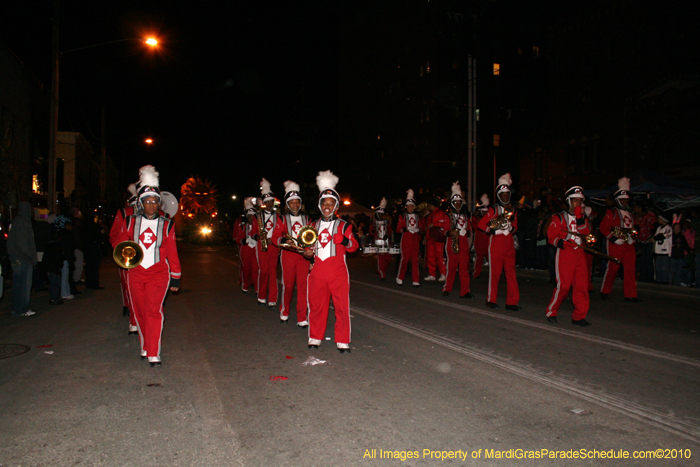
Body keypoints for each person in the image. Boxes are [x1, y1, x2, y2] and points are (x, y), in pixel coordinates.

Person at [113, 165, 181, 368]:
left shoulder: (167, 223)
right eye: (147, 201)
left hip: (159, 272)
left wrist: (176, 276)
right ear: (141, 203)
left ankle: (154, 352)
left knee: (154, 310)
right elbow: (121, 244)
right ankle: (145, 345)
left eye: (154, 201)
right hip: (135, 272)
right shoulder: (130, 222)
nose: (151, 204)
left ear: (158, 203)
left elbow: (172, 252)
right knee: (140, 311)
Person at [303, 170, 359, 353]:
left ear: (336, 206)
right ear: (320, 205)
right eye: (324, 203)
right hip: (318, 269)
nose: (327, 206)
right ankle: (315, 336)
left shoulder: (344, 225)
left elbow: (354, 246)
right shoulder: (312, 226)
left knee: (341, 306)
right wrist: (308, 253)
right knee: (317, 304)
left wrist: (343, 240)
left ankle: (343, 340)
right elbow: (307, 250)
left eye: (331, 203)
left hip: (338, 270)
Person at [545, 186, 592, 326]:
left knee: (582, 286)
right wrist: (562, 243)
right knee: (564, 286)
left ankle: (579, 316)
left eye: (580, 200)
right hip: (565, 253)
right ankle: (551, 311)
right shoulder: (559, 216)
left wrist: (579, 219)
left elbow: (586, 234)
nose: (578, 203)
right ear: (569, 201)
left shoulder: (583, 218)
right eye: (575, 200)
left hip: (579, 253)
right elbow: (550, 237)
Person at [478, 173, 521, 311]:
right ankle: (491, 299)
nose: (505, 196)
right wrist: (494, 231)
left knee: (511, 273)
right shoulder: (494, 209)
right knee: (495, 273)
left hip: (508, 242)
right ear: (498, 195)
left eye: (507, 194)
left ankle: (512, 302)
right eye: (503, 194)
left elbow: (516, 226)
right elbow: (481, 224)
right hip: (496, 242)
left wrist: (511, 228)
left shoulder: (513, 209)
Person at [277, 180, 311, 326]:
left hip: (303, 256)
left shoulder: (307, 219)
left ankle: (302, 317)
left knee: (303, 287)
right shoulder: (282, 218)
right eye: (292, 202)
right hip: (288, 256)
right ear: (287, 204)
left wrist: (311, 253)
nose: (295, 205)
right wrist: (284, 239)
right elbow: (274, 237)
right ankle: (284, 311)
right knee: (288, 286)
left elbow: (312, 236)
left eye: (297, 202)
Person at [599, 177, 639, 302]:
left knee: (630, 269)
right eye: (622, 199)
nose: (625, 202)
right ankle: (605, 291)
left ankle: (630, 294)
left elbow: (633, 227)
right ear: (617, 200)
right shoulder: (611, 212)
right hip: (615, 244)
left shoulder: (631, 213)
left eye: (626, 199)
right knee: (613, 268)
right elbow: (603, 228)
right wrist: (614, 239)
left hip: (628, 244)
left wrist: (632, 238)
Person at [110, 182, 141, 335]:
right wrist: (124, 251)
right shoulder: (124, 213)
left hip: (147, 258)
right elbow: (114, 235)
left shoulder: (153, 213)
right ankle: (130, 310)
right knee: (128, 286)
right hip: (128, 256)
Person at [249, 178, 284, 307]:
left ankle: (273, 298)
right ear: (264, 202)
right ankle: (262, 295)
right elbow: (252, 232)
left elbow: (282, 232)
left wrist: (278, 242)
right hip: (261, 246)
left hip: (274, 246)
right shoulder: (257, 217)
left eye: (271, 202)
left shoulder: (279, 217)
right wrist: (259, 236)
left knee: (273, 272)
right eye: (267, 202)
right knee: (264, 271)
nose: (269, 204)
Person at [443, 182, 473, 298]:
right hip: (452, 242)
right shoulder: (448, 216)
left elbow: (470, 230)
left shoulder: (466, 216)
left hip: (463, 243)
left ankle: (465, 291)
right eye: (455, 202)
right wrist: (451, 232)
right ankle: (447, 288)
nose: (458, 204)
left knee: (464, 268)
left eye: (459, 202)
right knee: (451, 267)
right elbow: (445, 231)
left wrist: (467, 232)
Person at [7, 201, 37, 317]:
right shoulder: (23, 222)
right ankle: (21, 309)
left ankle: (17, 308)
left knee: (18, 284)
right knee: (24, 285)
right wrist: (31, 257)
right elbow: (23, 244)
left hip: (17, 257)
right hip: (22, 258)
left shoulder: (16, 221)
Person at [396, 189, 423, 287]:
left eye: (412, 206)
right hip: (406, 239)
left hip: (415, 239)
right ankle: (400, 277)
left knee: (415, 260)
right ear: (406, 207)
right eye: (408, 206)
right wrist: (406, 229)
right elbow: (398, 229)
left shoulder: (417, 216)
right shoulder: (402, 216)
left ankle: (415, 280)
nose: (410, 208)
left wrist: (418, 230)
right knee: (405, 259)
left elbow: (421, 227)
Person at [232, 197, 259, 293]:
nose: (252, 218)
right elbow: (238, 238)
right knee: (246, 269)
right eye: (250, 216)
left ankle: (257, 288)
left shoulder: (259, 227)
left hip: (255, 249)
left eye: (253, 216)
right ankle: (245, 285)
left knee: (256, 269)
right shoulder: (243, 226)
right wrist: (244, 241)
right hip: (245, 249)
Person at [423, 198, 449, 281]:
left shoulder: (440, 213)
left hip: (438, 238)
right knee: (430, 256)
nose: (428, 207)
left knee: (439, 256)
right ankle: (432, 274)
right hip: (431, 238)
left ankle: (443, 273)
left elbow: (444, 224)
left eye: (429, 205)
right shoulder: (431, 214)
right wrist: (426, 238)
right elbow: (428, 228)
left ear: (432, 205)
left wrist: (434, 224)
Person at [369, 197, 392, 281]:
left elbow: (390, 231)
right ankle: (382, 273)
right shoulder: (373, 223)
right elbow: (371, 233)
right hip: (378, 242)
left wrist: (388, 235)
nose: (380, 216)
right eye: (379, 214)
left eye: (381, 214)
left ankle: (382, 270)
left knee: (388, 258)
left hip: (386, 242)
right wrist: (374, 231)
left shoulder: (387, 222)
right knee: (380, 259)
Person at [633, 201, 657, 283]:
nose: (634, 209)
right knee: (641, 261)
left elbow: (654, 227)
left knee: (648, 260)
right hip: (639, 241)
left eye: (636, 207)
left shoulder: (650, 215)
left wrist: (652, 237)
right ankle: (642, 277)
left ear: (640, 208)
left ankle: (650, 278)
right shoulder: (636, 217)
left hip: (648, 241)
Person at [668, 216, 691, 286]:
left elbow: (685, 245)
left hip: (680, 256)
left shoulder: (682, 237)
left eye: (679, 227)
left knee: (678, 271)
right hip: (673, 256)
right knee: (672, 270)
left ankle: (676, 284)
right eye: (676, 227)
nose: (678, 229)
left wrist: (690, 251)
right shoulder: (671, 236)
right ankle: (669, 283)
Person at [471, 194, 490, 278]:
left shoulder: (489, 218)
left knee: (491, 258)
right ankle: (476, 273)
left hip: (488, 240)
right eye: (484, 212)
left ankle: (494, 274)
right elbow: (477, 227)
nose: (486, 213)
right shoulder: (476, 218)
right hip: (479, 241)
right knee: (479, 258)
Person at [653, 214, 673, 283]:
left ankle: (664, 280)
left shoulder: (669, 228)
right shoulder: (659, 228)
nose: (658, 220)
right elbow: (655, 237)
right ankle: (658, 279)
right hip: (658, 250)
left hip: (665, 251)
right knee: (658, 267)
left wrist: (659, 236)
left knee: (664, 267)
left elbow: (663, 236)